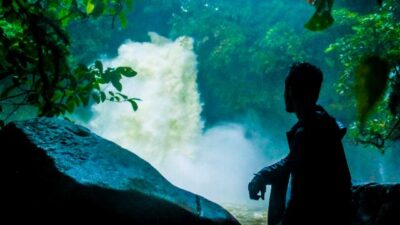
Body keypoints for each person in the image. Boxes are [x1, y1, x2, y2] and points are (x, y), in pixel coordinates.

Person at [248, 62, 352, 225]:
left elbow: (301, 202)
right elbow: (290, 161)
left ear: (289, 90)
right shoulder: (322, 123)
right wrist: (264, 173)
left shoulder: (308, 133)